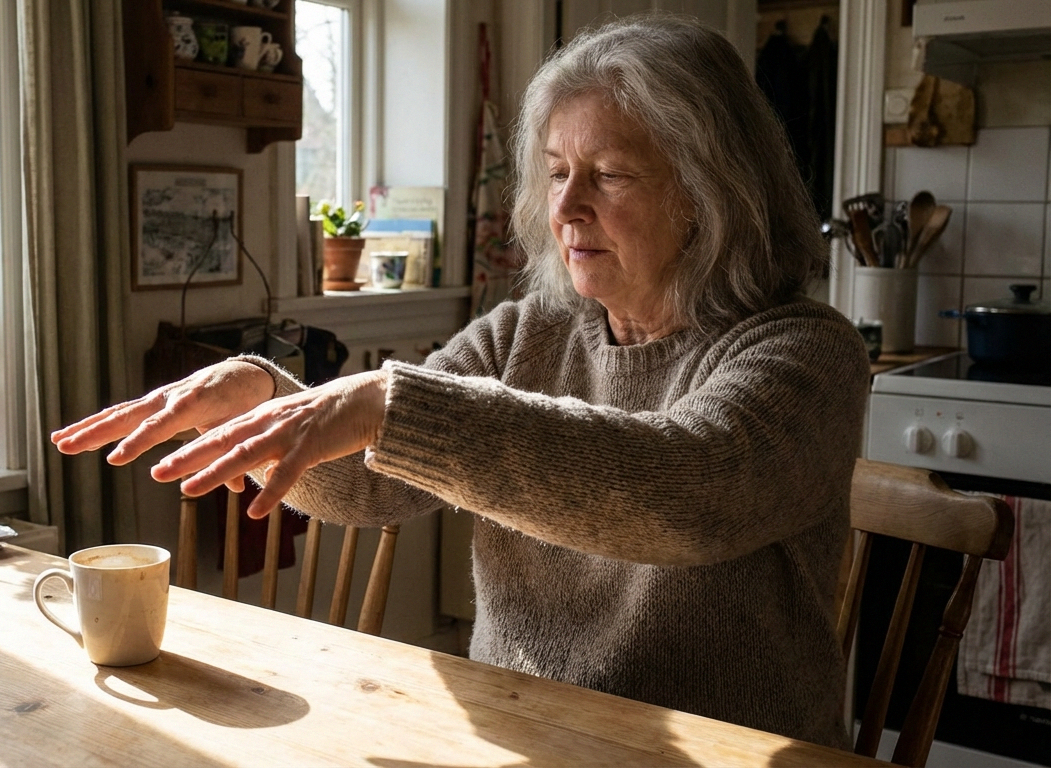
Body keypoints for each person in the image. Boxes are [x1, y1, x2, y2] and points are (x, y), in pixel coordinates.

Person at [53, 14, 868, 748]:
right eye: (555, 172)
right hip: (526, 730)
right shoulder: (530, 331)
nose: (568, 208)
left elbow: (691, 491)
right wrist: (268, 404)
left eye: (610, 174)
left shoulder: (804, 353)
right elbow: (370, 491)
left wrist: (392, 406)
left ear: (709, 192)